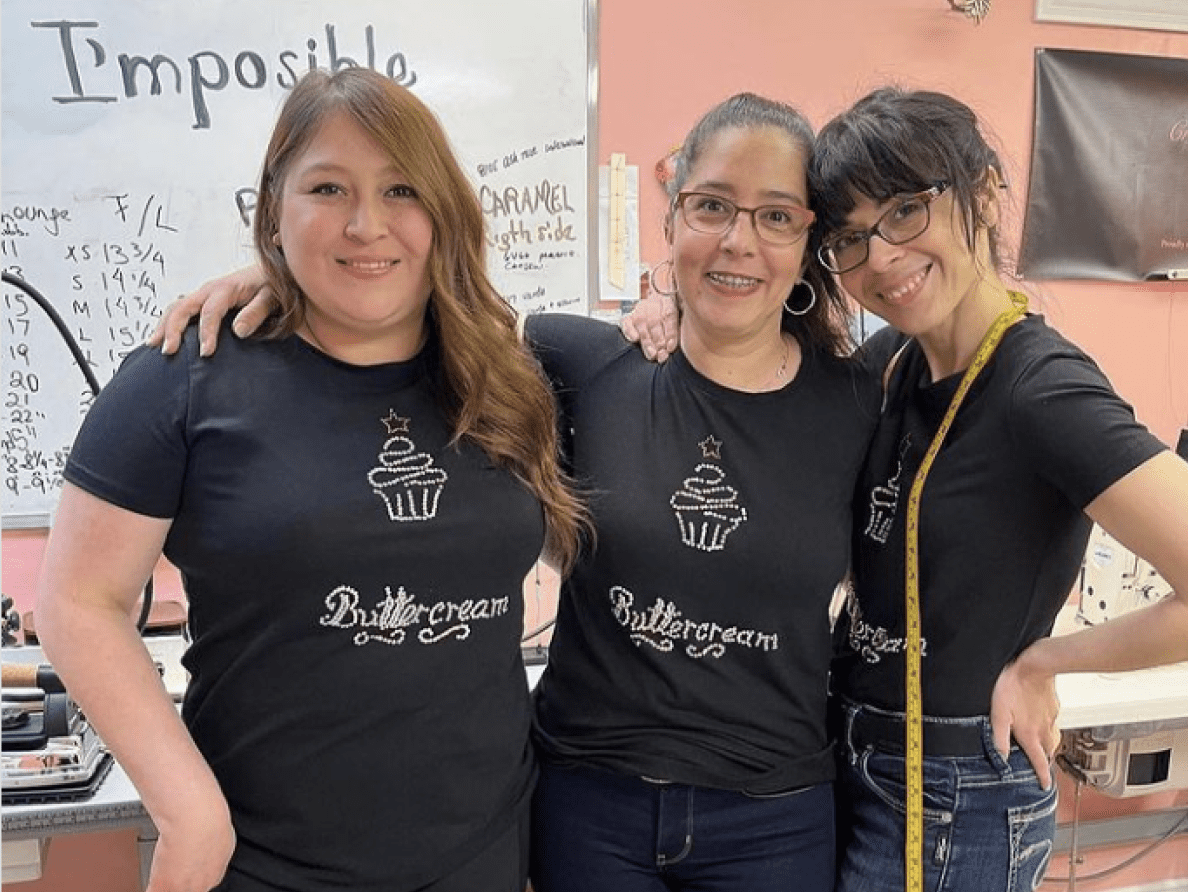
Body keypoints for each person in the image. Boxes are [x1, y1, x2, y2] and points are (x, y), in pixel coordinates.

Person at [148, 92, 882, 892]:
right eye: (711, 207)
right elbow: (413, 301)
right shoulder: (579, 362)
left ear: (809, 237)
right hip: (589, 805)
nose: (739, 240)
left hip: (773, 818)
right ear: (671, 219)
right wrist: (282, 268)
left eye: (776, 216)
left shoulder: (859, 404)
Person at [35, 67, 588, 892]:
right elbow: (78, 602)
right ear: (272, 207)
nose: (367, 224)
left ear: (442, 210)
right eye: (327, 188)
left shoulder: (505, 379)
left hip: (483, 855)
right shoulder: (185, 380)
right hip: (265, 864)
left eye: (401, 188)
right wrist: (191, 816)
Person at [627, 87, 1188, 892]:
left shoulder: (1041, 389)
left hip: (957, 794)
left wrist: (1045, 665)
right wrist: (667, 303)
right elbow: (758, 369)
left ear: (986, 193)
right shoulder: (891, 362)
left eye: (906, 211)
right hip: (850, 756)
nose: (880, 258)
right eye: (850, 237)